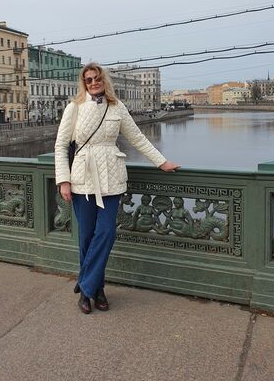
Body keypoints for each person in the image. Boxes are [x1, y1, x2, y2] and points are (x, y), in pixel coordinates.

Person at [55, 62, 180, 315]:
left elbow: (138, 138)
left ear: (104, 80)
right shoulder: (74, 107)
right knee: (86, 237)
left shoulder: (117, 107)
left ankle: (85, 285)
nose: (93, 83)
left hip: (111, 177)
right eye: (88, 80)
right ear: (84, 83)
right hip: (82, 177)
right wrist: (63, 180)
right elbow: (61, 145)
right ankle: (97, 290)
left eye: (97, 78)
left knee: (107, 233)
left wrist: (161, 162)